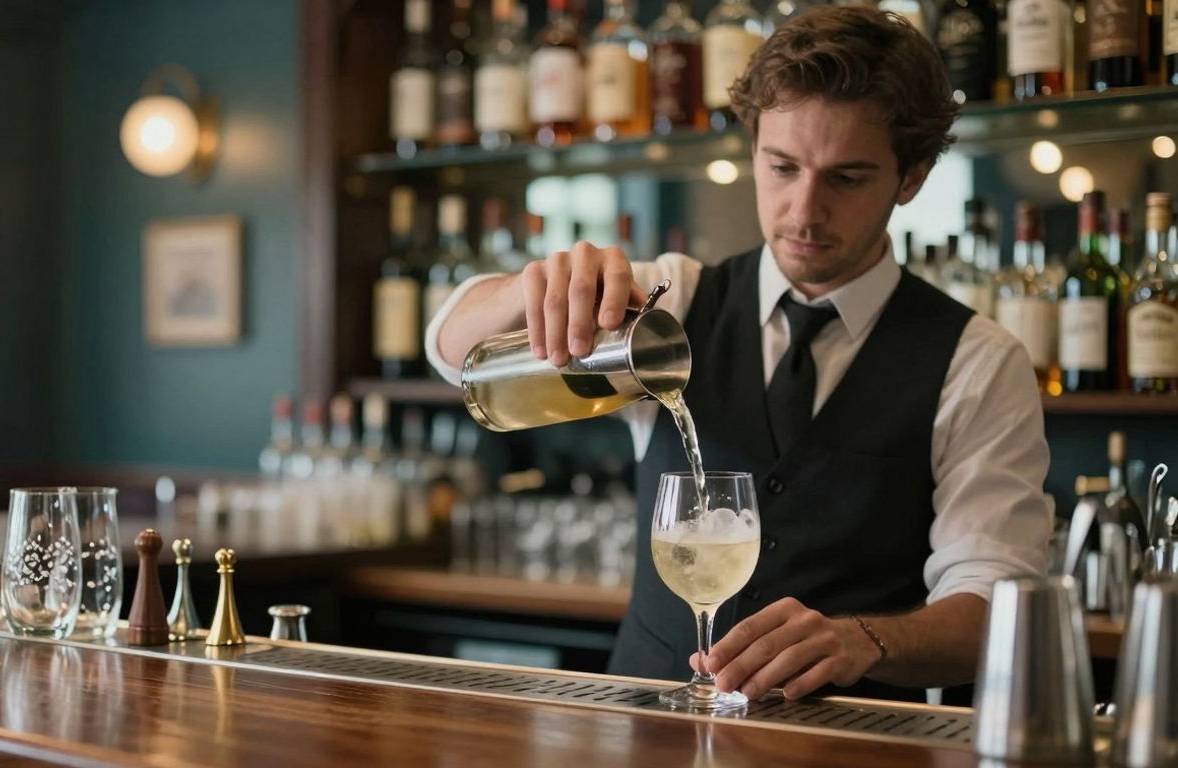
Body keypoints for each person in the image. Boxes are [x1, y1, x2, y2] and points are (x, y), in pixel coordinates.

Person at [425, 6, 1050, 703]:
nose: (804, 211)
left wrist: (865, 640)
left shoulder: (977, 360)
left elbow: (997, 604)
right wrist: (532, 288)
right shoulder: (671, 299)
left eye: (846, 178)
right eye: (782, 167)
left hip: (850, 741)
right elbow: (451, 351)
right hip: (645, 725)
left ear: (912, 179)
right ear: (753, 149)